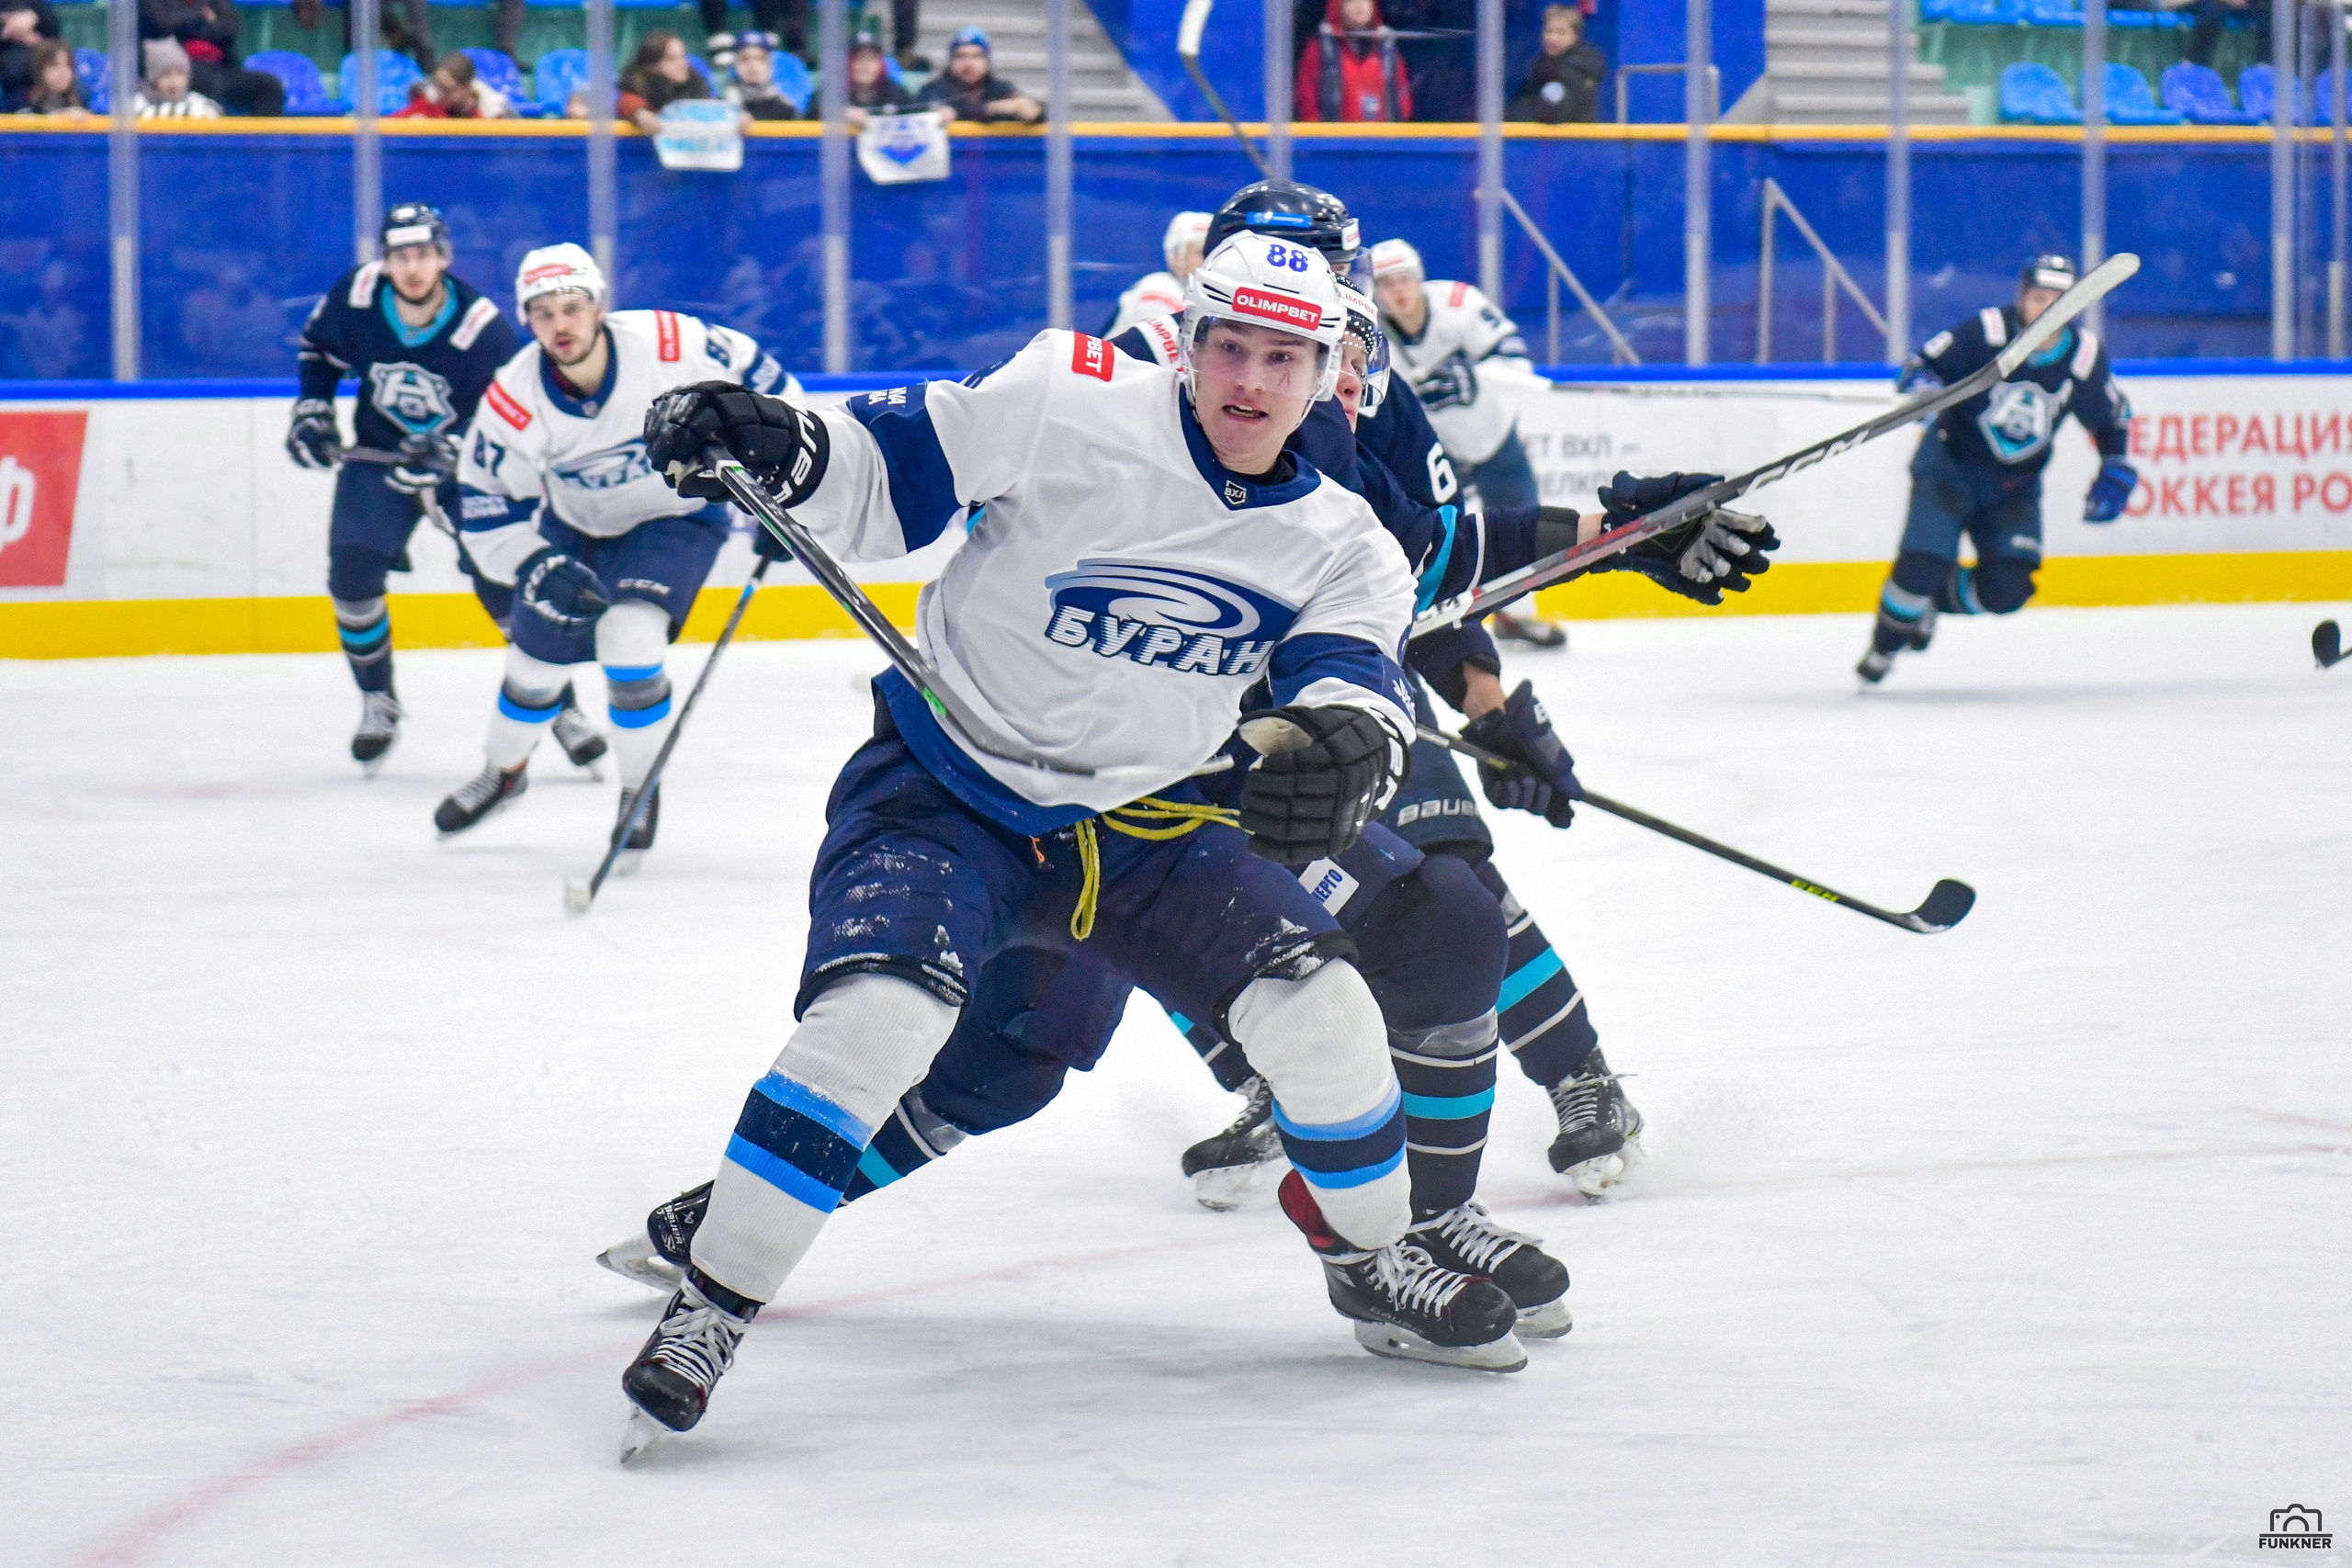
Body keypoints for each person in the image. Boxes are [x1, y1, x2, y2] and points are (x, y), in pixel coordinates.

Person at [616, 231, 1520, 1446]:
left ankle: (1370, 1256)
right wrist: (782, 438)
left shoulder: (1344, 538)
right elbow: (887, 474)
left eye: (1283, 359)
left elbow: (1353, 674)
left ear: (1327, 372)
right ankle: (712, 1302)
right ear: (1188, 344)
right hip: (951, 795)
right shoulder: (1068, 396)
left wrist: (1349, 746)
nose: (1251, 383)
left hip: (1151, 829)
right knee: (880, 1019)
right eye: (1230, 348)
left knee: (1325, 1015)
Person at [1118, 181, 1776, 1199]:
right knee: (1145, 894)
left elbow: (1430, 564)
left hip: (1347, 676)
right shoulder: (1140, 378)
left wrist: (1489, 706)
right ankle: (1279, 1082)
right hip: (1182, 697)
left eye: (1326, 280)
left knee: (1453, 883)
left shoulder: (1370, 396)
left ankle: (1580, 1080)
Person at [436, 243, 795, 852]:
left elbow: (772, 387)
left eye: (571, 307)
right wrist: (535, 562)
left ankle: (639, 786)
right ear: (526, 320)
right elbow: (484, 502)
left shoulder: (672, 346)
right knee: (533, 664)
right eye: (543, 312)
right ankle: (505, 773)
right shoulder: (513, 396)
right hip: (575, 526)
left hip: (674, 515)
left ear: (599, 305)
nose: (560, 325)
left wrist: (786, 489)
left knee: (629, 637)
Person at [288, 203, 580, 771]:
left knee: (501, 582)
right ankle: (378, 699)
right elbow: (318, 353)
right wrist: (314, 409)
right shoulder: (357, 296)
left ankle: (560, 706)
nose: (413, 267)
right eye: (400, 256)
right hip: (379, 457)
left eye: (423, 254)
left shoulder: (481, 327)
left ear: (444, 257)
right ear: (385, 260)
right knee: (351, 572)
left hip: (467, 470)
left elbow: (511, 411)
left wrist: (457, 449)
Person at [1858, 254, 2134, 684]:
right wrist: (1923, 390)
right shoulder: (1986, 332)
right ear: (2022, 297)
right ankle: (1886, 643)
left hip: (2015, 487)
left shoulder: (2083, 357)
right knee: (1920, 570)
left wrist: (2114, 462)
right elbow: (1919, 367)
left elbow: (2109, 417)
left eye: (2060, 301)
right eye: (2039, 298)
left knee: (2008, 590)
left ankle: (1931, 604)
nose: (2048, 309)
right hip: (1950, 467)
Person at [1368, 236, 1567, 648]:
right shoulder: (1371, 331)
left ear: (1420, 278)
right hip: (1435, 453)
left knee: (1520, 526)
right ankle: (1430, 618)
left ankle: (1516, 614)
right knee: (1437, 538)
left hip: (1494, 443)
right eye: (1386, 283)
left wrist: (1474, 377)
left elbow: (1516, 362)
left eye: (1404, 279)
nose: (1397, 291)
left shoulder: (1460, 304)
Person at [138, 0, 284, 116]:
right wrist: (204, 19)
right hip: (177, 71)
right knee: (210, 84)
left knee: (270, 87)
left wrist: (191, 23)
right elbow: (165, 24)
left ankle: (258, 149)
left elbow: (230, 28)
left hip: (222, 67)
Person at [1295, 0, 1411, 124]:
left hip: (1383, 139)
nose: (1360, 6)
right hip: (1335, 139)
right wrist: (1323, 137)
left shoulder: (1387, 47)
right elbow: (1306, 99)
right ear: (1338, 6)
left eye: (1366, 1)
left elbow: (1402, 97)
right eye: (1351, 1)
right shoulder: (1321, 47)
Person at [1106, 210, 1211, 337]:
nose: (1209, 260)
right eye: (1201, 252)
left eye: (1215, 252)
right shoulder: (1156, 294)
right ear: (1176, 258)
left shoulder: (1197, 297)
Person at [807, 23, 930, 127]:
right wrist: (840, 113)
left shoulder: (894, 91)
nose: (864, 65)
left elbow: (918, 114)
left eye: (871, 59)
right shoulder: (832, 89)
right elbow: (811, 112)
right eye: (858, 59)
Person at [916, 26, 1041, 123]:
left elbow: (1035, 110)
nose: (968, 63)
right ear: (951, 61)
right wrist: (993, 108)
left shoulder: (1000, 88)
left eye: (976, 56)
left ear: (987, 61)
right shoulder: (933, 90)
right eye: (960, 57)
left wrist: (1034, 110)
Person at [1508, 4, 1604, 125]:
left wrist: (1513, 115)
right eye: (1549, 31)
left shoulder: (1578, 67)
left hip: (1571, 141)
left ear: (1575, 36)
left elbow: (1555, 112)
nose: (1552, 38)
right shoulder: (1542, 65)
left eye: (1561, 33)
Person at [616, 29, 710, 137]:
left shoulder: (697, 85)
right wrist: (638, 113)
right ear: (652, 65)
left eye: (683, 56)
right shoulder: (636, 89)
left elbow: (712, 109)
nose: (683, 64)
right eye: (672, 59)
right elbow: (626, 101)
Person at [390, 51, 511, 119]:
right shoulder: (428, 103)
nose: (440, 93)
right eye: (437, 85)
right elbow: (386, 127)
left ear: (467, 88)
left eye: (447, 90)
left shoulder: (493, 114)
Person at [721, 29, 797, 122]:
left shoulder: (786, 109)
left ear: (770, 64)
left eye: (760, 59)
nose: (752, 65)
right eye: (745, 59)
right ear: (735, 65)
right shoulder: (723, 106)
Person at [134, 39, 222, 117]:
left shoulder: (195, 100)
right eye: (166, 74)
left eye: (180, 74)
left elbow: (213, 112)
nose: (174, 81)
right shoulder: (139, 102)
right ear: (153, 80)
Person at [2, 0, 60, 113]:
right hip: (8, 62)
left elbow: (54, 27)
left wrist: (34, 17)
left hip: (36, 51)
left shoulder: (36, 4)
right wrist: (9, 28)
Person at [11, 38, 88, 115]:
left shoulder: (82, 97)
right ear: (40, 70)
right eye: (54, 65)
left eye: (68, 65)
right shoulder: (19, 100)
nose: (63, 73)